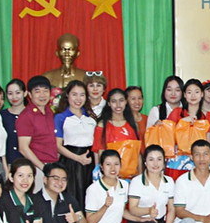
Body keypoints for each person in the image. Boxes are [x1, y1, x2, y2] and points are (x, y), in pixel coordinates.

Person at [127, 145, 177, 223]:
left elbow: (172, 209)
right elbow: (132, 209)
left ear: (164, 161)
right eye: (151, 159)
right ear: (145, 162)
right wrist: (147, 211)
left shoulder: (169, 182)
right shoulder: (137, 182)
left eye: (159, 159)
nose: (155, 164)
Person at [54, 79, 96, 208]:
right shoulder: (60, 117)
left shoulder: (90, 116)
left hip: (89, 163)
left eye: (82, 95)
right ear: (67, 95)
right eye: (74, 94)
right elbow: (58, 146)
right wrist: (77, 158)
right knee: (73, 197)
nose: (78, 99)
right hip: (70, 162)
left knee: (89, 196)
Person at [17, 75, 59, 194]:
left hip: (53, 166)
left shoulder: (50, 112)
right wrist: (43, 168)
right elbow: (23, 148)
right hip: (37, 168)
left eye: (45, 91)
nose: (42, 95)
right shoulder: (26, 116)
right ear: (29, 94)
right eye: (37, 91)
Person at [167, 79, 210, 179]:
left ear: (202, 94)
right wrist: (182, 122)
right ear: (184, 95)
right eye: (189, 92)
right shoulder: (176, 112)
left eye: (196, 92)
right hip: (177, 162)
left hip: (198, 161)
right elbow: (168, 136)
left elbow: (208, 142)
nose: (193, 96)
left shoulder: (206, 117)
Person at [93, 88, 142, 181]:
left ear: (126, 102)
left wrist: (140, 177)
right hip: (111, 177)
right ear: (108, 103)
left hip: (131, 178)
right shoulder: (102, 125)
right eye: (114, 101)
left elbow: (137, 153)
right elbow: (99, 153)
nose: (118, 105)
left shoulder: (133, 125)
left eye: (121, 100)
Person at [0, 78, 27, 164]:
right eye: (10, 93)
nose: (14, 97)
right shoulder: (0, 115)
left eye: (18, 93)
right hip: (6, 163)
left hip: (28, 163)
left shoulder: (32, 115)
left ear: (25, 93)